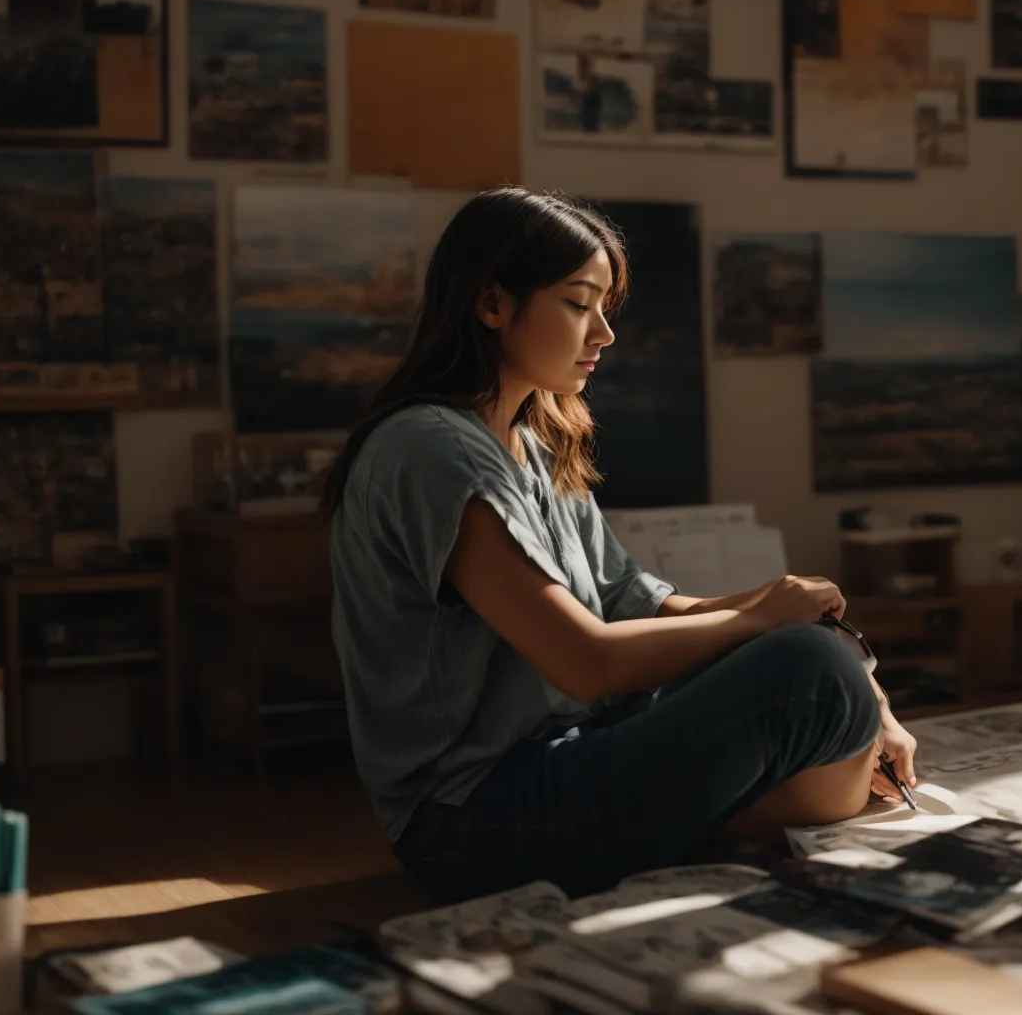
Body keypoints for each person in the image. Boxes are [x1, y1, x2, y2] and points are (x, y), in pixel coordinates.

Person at [321, 187, 917, 901]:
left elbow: (634, 604)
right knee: (808, 668)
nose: (604, 333)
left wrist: (795, 619)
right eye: (579, 303)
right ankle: (751, 816)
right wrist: (773, 624)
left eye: (605, 307)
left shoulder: (532, 441)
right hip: (472, 821)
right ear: (491, 305)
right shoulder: (430, 449)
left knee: (817, 654)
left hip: (574, 758)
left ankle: (748, 809)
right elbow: (586, 660)